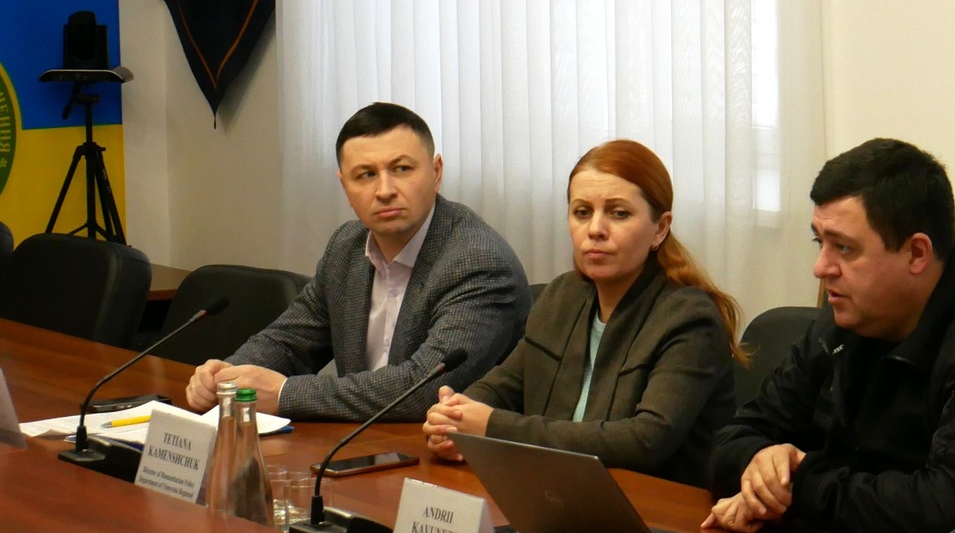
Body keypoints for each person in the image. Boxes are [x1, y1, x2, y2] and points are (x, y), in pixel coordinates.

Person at [705, 138, 955, 533]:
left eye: (844, 247)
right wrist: (765, 468)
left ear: (917, 253)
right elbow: (730, 441)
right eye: (819, 242)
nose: (821, 267)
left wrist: (799, 484)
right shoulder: (841, 324)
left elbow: (946, 511)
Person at [421, 140, 741, 485]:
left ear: (660, 229)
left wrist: (492, 427)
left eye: (619, 213)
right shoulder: (562, 296)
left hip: (652, 505)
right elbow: (503, 386)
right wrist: (454, 417)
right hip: (558, 489)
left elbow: (645, 440)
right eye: (582, 212)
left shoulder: (689, 319)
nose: (595, 229)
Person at [185, 103, 529, 421]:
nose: (384, 190)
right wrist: (227, 376)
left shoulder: (478, 262)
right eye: (365, 175)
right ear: (344, 186)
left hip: (443, 452)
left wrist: (285, 394)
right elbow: (289, 341)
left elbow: (423, 390)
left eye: (402, 169)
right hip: (361, 444)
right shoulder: (346, 248)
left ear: (436, 172)